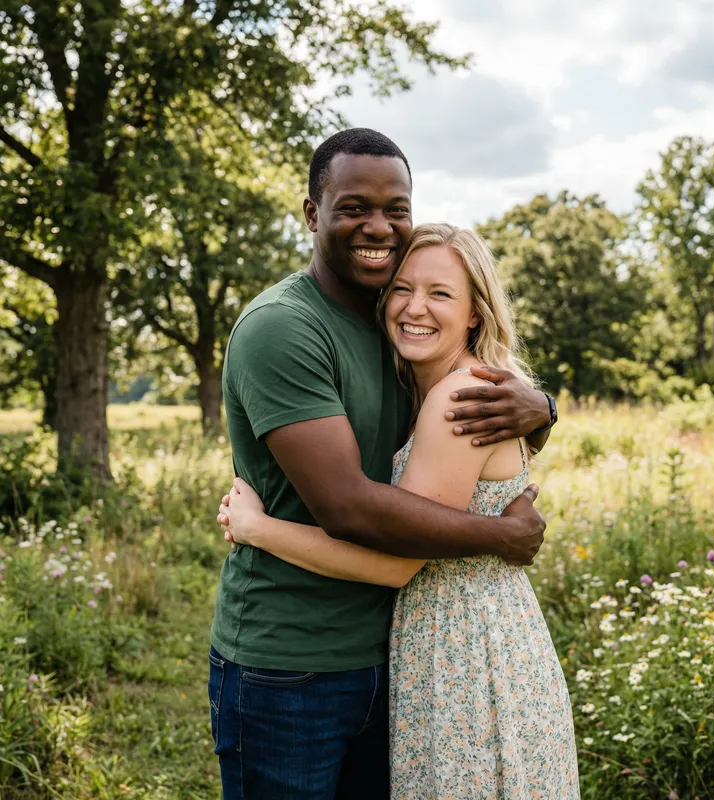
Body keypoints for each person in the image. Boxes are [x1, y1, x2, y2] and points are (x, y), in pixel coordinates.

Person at [209, 129, 558, 800]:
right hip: (291, 662)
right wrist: (500, 535)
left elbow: (473, 441)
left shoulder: (396, 329)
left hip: (398, 656)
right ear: (312, 214)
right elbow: (348, 506)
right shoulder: (284, 327)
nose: (378, 226)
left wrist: (543, 407)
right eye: (353, 207)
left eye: (396, 208)